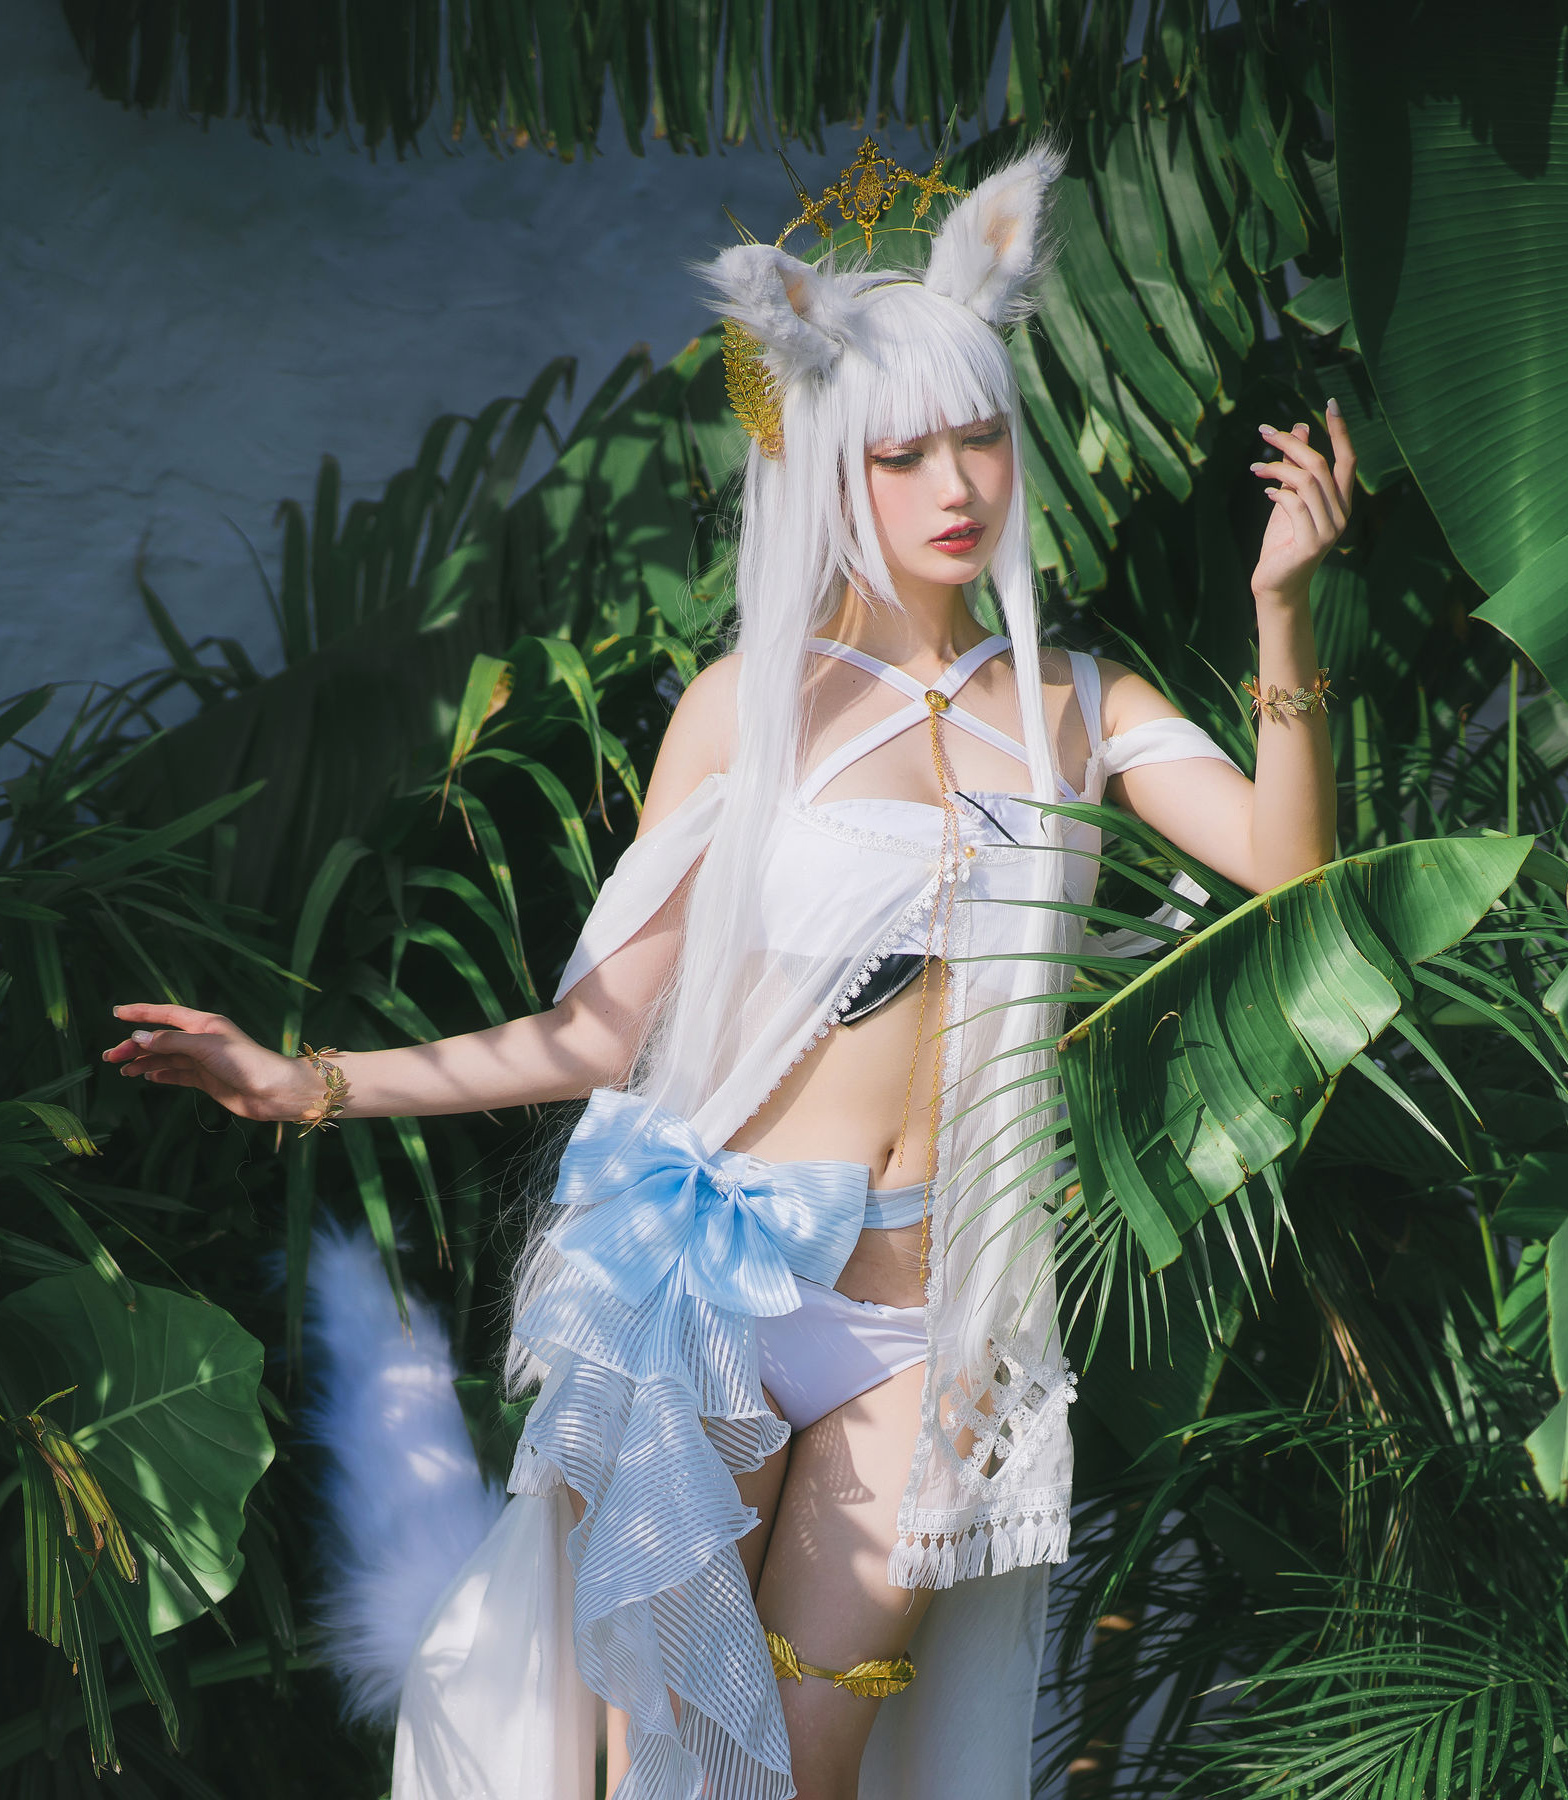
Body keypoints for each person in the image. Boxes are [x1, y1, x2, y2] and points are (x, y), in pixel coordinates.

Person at [102, 140, 1351, 1800]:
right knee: (676, 1768)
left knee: (811, 1775)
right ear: (833, 469)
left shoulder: (1080, 705)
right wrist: (304, 1083)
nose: (957, 484)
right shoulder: (750, 708)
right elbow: (598, 1030)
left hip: (937, 1320)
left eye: (979, 437)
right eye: (903, 452)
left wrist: (1282, 614)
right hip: (711, 1295)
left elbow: (1290, 874)